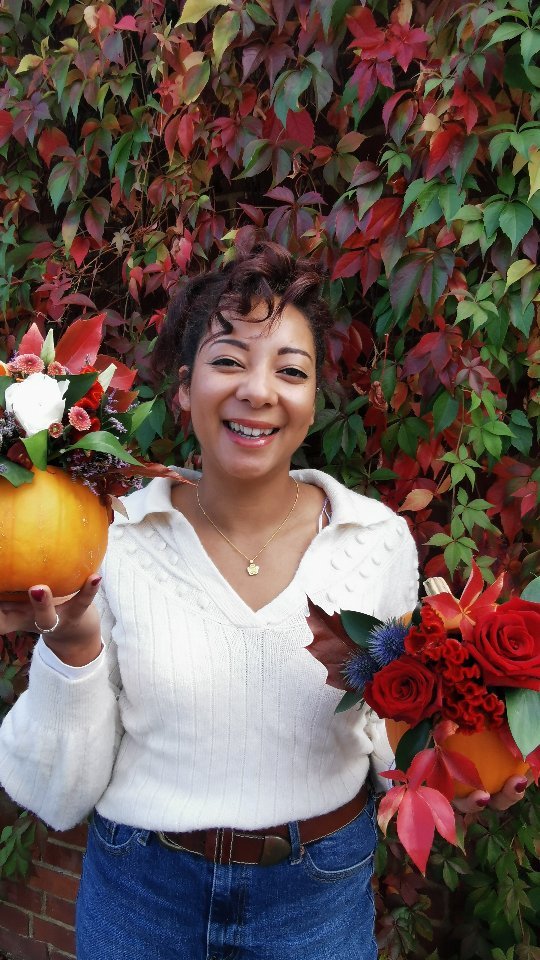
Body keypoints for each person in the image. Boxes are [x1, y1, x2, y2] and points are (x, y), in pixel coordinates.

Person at [0, 239, 529, 960]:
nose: (259, 390)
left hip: (315, 901)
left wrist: (461, 767)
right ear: (183, 388)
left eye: (291, 370)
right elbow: (59, 797)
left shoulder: (375, 542)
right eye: (227, 361)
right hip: (141, 899)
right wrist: (70, 645)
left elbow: (390, 728)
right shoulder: (110, 538)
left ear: (313, 401)